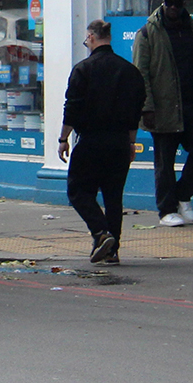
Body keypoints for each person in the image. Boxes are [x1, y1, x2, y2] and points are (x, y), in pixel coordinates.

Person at [58, 19, 146, 264]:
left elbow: (72, 108)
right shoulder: (130, 71)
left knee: (78, 190)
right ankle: (112, 249)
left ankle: (100, 232)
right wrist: (131, 143)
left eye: (87, 39)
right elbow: (135, 112)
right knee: (113, 196)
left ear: (91, 37)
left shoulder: (83, 69)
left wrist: (63, 138)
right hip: (119, 142)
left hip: (91, 141)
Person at [132, 0, 193, 227]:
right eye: (169, 2)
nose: (173, 7)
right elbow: (140, 74)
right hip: (163, 108)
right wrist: (147, 107)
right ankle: (166, 209)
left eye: (177, 3)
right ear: (163, 2)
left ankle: (182, 196)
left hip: (189, 106)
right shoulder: (148, 32)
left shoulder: (190, 29)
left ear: (183, 4)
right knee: (164, 163)